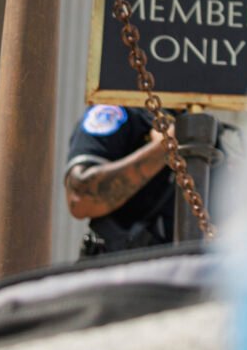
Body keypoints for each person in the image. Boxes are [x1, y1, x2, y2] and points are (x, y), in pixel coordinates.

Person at [62, 103, 228, 256]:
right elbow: (80, 200)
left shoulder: (206, 127)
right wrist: (161, 149)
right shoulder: (120, 112)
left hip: (186, 276)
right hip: (121, 275)